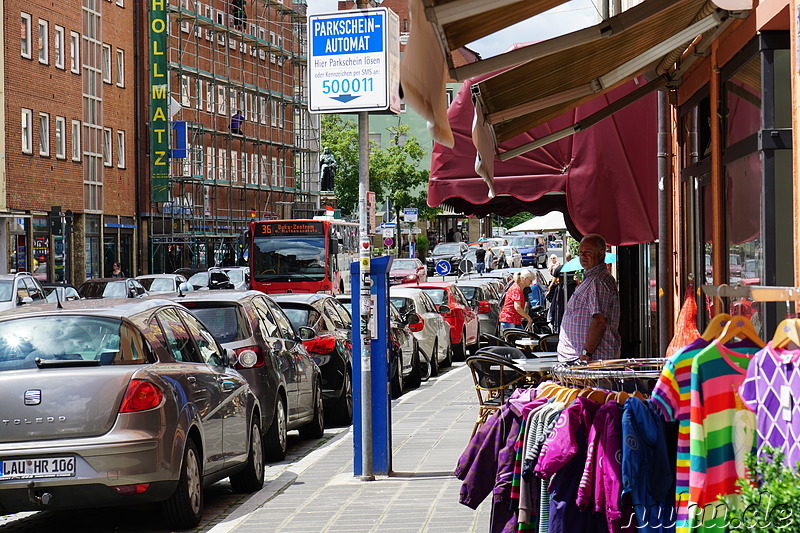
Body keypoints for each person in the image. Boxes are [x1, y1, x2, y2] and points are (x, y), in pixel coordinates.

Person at [556, 234, 620, 363]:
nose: (582, 256)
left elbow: (599, 320)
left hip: (590, 360)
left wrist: (586, 353)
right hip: (582, 358)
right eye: (580, 252)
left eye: (588, 252)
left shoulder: (598, 281)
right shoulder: (592, 279)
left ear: (601, 254)